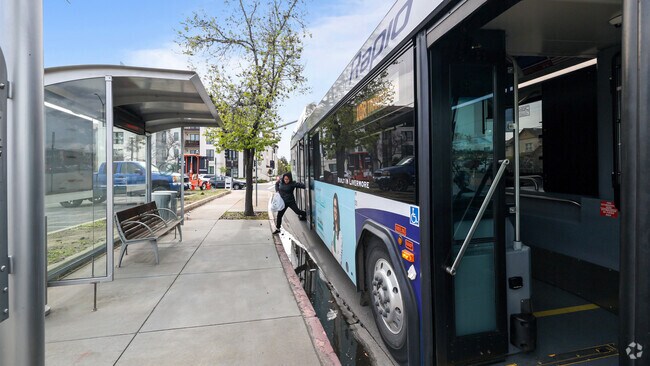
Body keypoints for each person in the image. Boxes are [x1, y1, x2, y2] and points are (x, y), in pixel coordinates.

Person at [331, 193, 342, 262]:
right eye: (333, 207)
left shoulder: (340, 235)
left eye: (336, 207)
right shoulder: (333, 231)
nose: (335, 211)